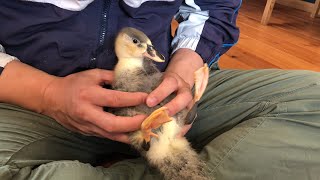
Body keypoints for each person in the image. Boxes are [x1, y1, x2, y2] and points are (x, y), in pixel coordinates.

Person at [0, 0, 319, 179]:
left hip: (161, 91)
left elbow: (212, 7)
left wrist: (182, 71)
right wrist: (45, 94)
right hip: (32, 98)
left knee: (313, 101)